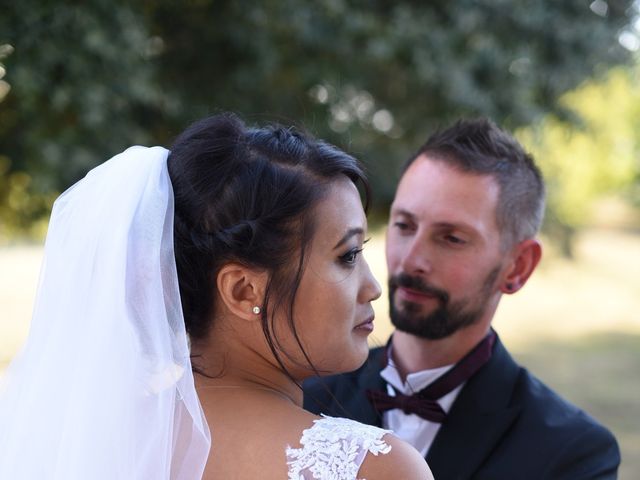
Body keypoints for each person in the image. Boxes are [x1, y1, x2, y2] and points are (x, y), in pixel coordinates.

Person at [0, 113, 433, 479]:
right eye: (348, 255)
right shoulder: (374, 468)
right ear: (244, 291)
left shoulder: (89, 443)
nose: (374, 287)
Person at [304, 118, 621, 479]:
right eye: (405, 226)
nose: (410, 261)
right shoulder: (302, 395)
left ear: (518, 266)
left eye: (452, 238)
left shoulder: (571, 454)